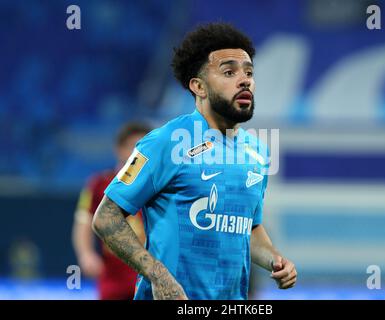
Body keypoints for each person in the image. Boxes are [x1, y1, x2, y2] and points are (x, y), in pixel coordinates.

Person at [92, 22, 297, 300]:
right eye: (229, 72)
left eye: (249, 72)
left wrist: (274, 259)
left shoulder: (257, 153)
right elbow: (106, 217)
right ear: (198, 86)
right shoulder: (164, 142)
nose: (244, 79)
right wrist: (158, 276)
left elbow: (249, 227)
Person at [72, 122, 151, 300]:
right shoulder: (98, 184)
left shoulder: (160, 186)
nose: (139, 153)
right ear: (119, 149)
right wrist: (86, 254)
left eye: (144, 146)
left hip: (150, 278)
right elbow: (83, 222)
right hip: (113, 279)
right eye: (133, 146)